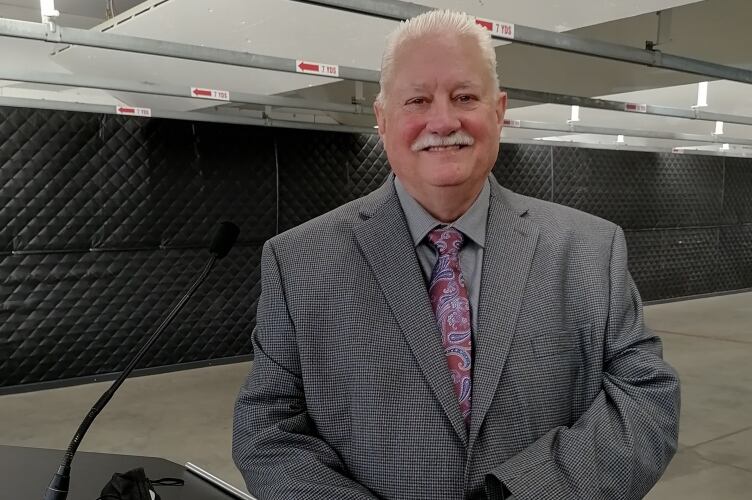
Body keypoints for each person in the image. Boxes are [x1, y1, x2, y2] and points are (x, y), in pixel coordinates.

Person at [233, 9, 680, 500]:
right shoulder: (298, 261)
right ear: (382, 119)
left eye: (465, 97)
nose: (443, 121)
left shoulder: (591, 250)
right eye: (417, 100)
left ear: (499, 110)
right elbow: (267, 431)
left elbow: (646, 400)